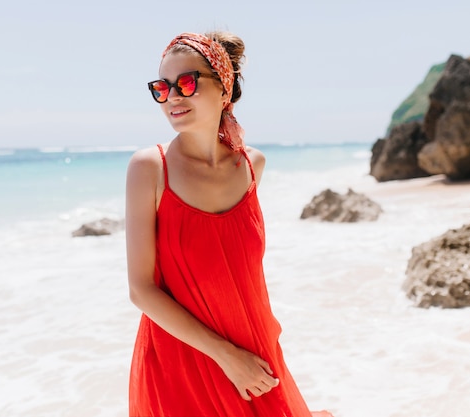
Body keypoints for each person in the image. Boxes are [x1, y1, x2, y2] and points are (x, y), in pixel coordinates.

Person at [125, 30, 332, 417]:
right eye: (161, 87)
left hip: (255, 352)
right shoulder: (150, 168)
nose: (172, 96)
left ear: (225, 90)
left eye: (187, 82)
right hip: (180, 360)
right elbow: (141, 290)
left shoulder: (253, 166)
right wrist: (227, 357)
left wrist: (248, 353)